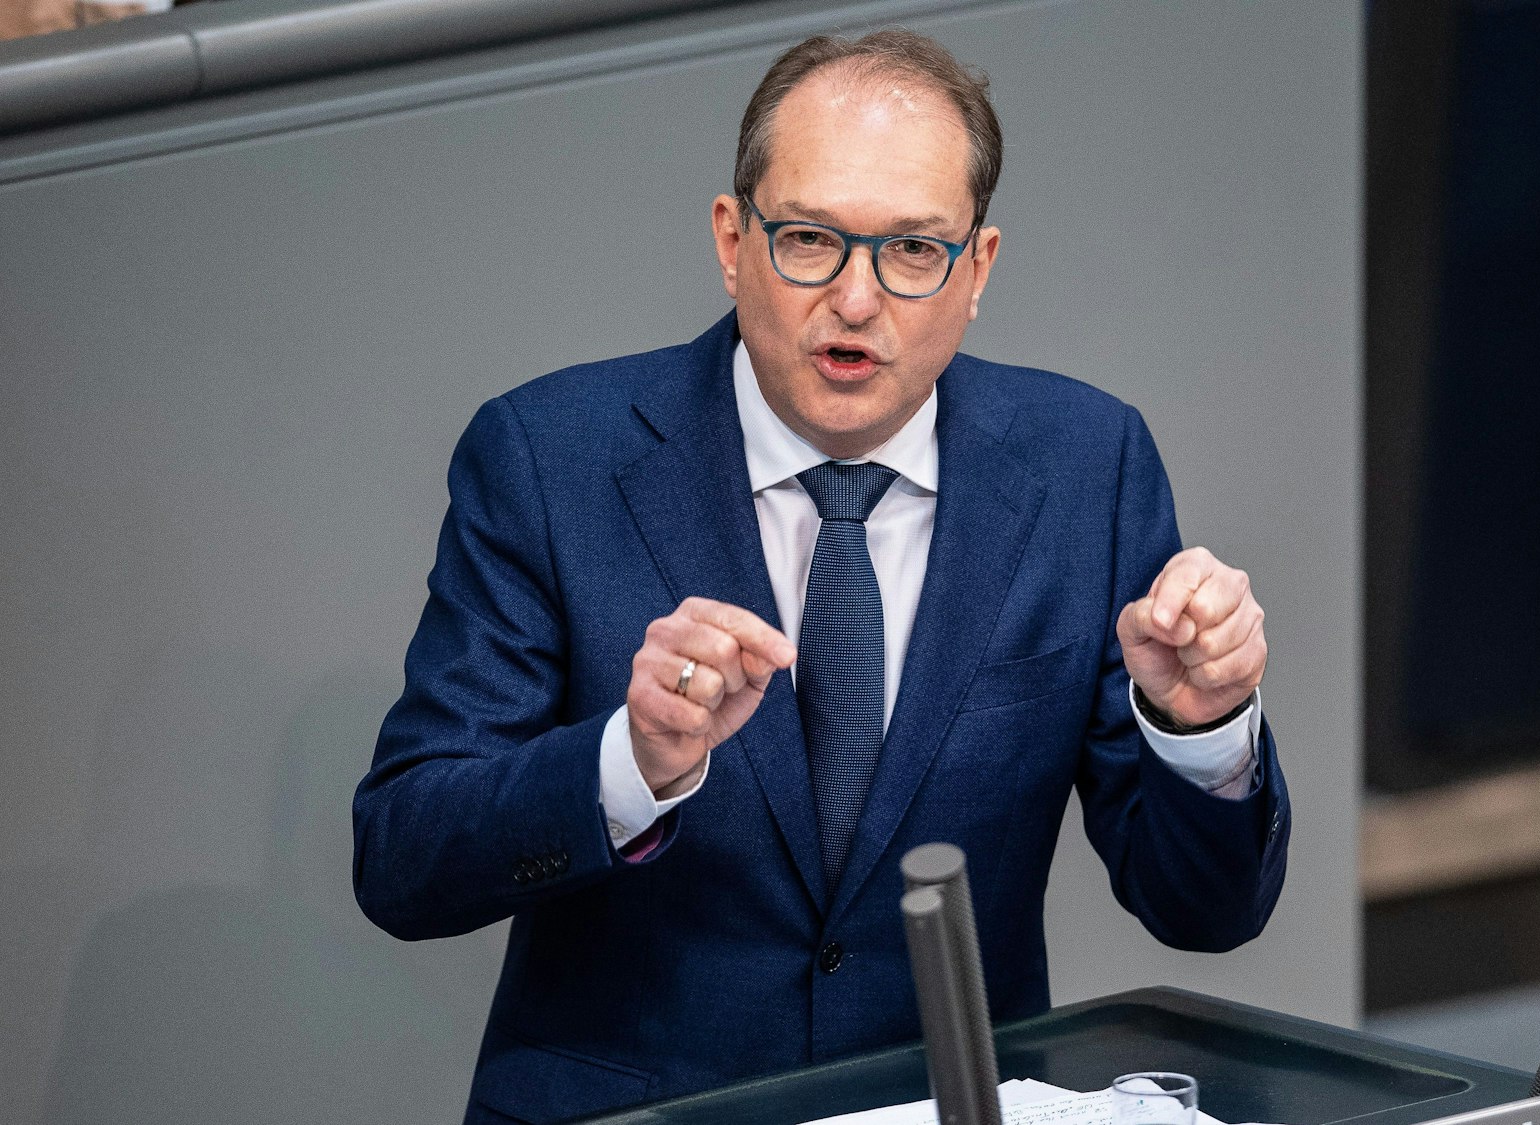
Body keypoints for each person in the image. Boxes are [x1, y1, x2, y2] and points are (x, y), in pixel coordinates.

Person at [354, 29, 1290, 1125]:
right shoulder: (549, 459)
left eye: (910, 251)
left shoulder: (1086, 464)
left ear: (976, 268)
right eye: (808, 238)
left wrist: (1202, 729)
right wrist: (631, 761)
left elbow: (1203, 910)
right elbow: (403, 858)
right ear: (729, 238)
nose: (854, 299)